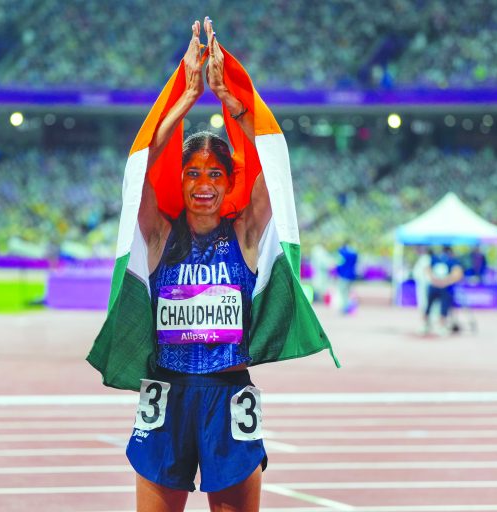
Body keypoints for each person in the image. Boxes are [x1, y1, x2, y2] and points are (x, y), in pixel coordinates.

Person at [87, 17, 338, 512]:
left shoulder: (244, 235)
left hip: (229, 395)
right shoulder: (159, 235)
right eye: (193, 173)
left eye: (216, 174)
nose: (204, 182)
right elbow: (137, 173)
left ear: (228, 183)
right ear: (179, 183)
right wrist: (183, 98)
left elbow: (274, 168)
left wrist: (230, 100)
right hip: (166, 394)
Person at [424, 245, 463, 336]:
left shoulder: (453, 261)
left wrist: (445, 281)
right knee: (428, 306)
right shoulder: (435, 259)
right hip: (435, 286)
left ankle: (441, 326)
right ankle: (426, 325)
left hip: (446, 288)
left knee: (444, 308)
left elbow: (457, 273)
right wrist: (434, 280)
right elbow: (428, 270)